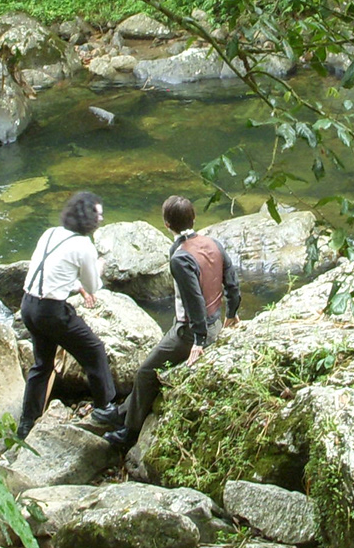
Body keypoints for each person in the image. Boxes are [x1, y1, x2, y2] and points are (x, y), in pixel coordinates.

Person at [106, 195, 239, 450]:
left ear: (166, 224)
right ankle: (123, 410)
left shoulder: (180, 257)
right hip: (215, 324)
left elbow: (194, 300)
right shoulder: (213, 243)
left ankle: (129, 433)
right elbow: (231, 281)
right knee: (155, 357)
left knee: (146, 373)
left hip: (191, 332)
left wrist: (198, 341)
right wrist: (232, 313)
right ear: (195, 218)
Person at [17, 191, 126, 439]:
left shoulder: (51, 233)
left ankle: (26, 423)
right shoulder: (84, 245)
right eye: (98, 213)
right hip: (52, 312)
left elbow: (51, 270)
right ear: (88, 217)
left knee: (42, 364)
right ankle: (105, 408)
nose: (101, 218)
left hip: (28, 306)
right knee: (94, 350)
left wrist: (76, 287)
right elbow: (95, 285)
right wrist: (99, 268)